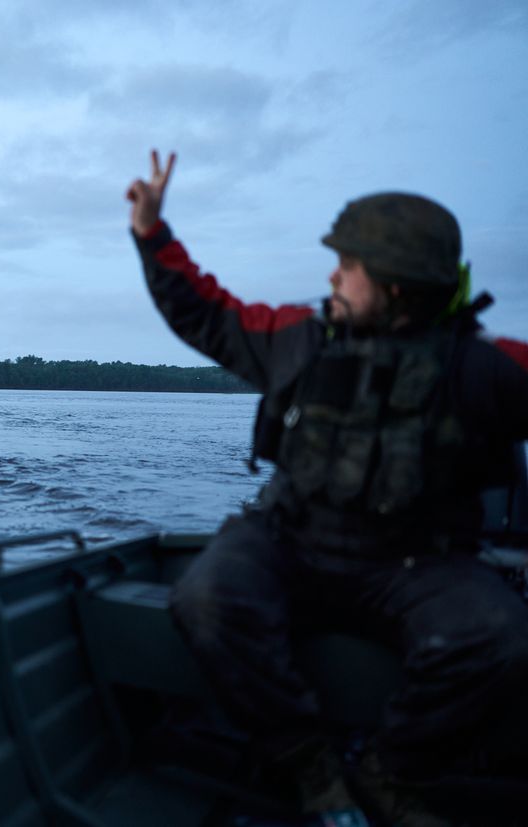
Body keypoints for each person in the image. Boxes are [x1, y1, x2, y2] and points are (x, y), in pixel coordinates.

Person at [126, 150, 528, 825]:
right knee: (206, 595)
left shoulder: (485, 367)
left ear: (397, 284)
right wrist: (153, 233)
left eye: (349, 264)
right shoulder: (296, 338)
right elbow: (205, 312)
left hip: (417, 562)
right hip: (291, 540)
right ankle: (309, 764)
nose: (331, 274)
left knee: (502, 637)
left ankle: (390, 769)